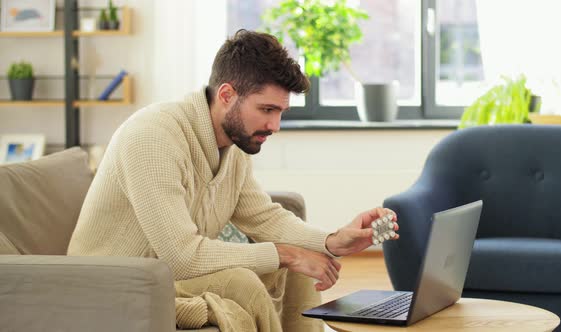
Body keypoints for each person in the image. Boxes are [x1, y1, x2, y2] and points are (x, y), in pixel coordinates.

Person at [68, 29, 399, 332]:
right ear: (226, 94)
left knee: (300, 269)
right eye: (266, 109)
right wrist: (285, 254)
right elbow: (181, 257)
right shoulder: (153, 137)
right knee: (244, 283)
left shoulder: (233, 145)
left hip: (164, 276)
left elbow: (264, 218)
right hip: (115, 285)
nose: (275, 125)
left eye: (280, 112)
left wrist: (334, 240)